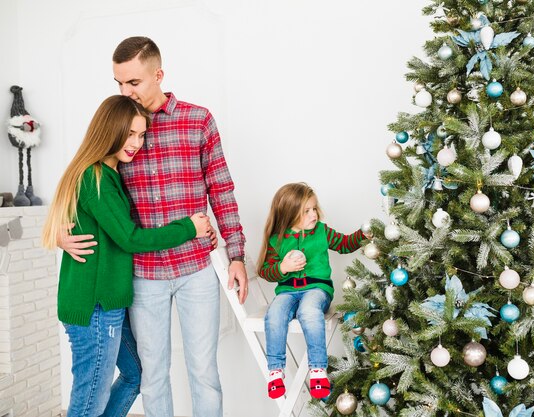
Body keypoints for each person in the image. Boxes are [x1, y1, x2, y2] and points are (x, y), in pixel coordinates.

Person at [59, 36, 247, 417]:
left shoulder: (198, 120)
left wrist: (237, 254)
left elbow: (222, 188)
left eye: (134, 83)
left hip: (196, 268)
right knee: (153, 376)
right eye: (119, 84)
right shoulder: (118, 129)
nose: (125, 91)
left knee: (204, 371)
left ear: (158, 75)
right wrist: (63, 231)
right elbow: (83, 181)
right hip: (143, 274)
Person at [42, 95, 214, 417]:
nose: (137, 143)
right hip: (95, 307)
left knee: (136, 375)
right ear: (110, 130)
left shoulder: (107, 175)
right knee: (89, 400)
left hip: (110, 306)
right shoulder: (96, 180)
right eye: (130, 134)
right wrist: (188, 227)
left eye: (142, 134)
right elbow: (130, 239)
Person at [257, 182, 368, 400]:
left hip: (317, 289)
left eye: (314, 209)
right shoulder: (277, 239)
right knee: (274, 314)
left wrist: (364, 234)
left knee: (309, 311)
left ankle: (317, 369)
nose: (313, 215)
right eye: (306, 211)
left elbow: (345, 244)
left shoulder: (322, 232)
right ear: (289, 215)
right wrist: (283, 268)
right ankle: (275, 371)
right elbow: (266, 271)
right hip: (287, 291)